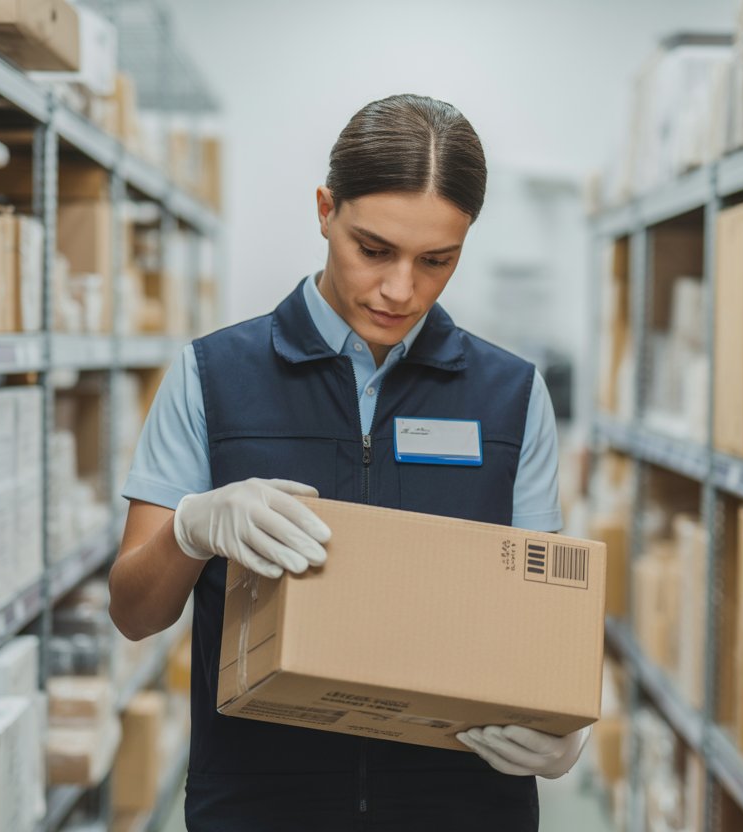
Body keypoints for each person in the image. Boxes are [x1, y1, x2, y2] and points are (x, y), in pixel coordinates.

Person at [109, 93, 589, 831]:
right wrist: (191, 531)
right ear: (326, 210)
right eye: (373, 250)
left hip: (461, 807)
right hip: (260, 806)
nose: (401, 290)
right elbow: (135, 614)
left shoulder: (512, 396)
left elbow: (535, 630)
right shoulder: (214, 375)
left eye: (437, 260)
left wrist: (563, 730)